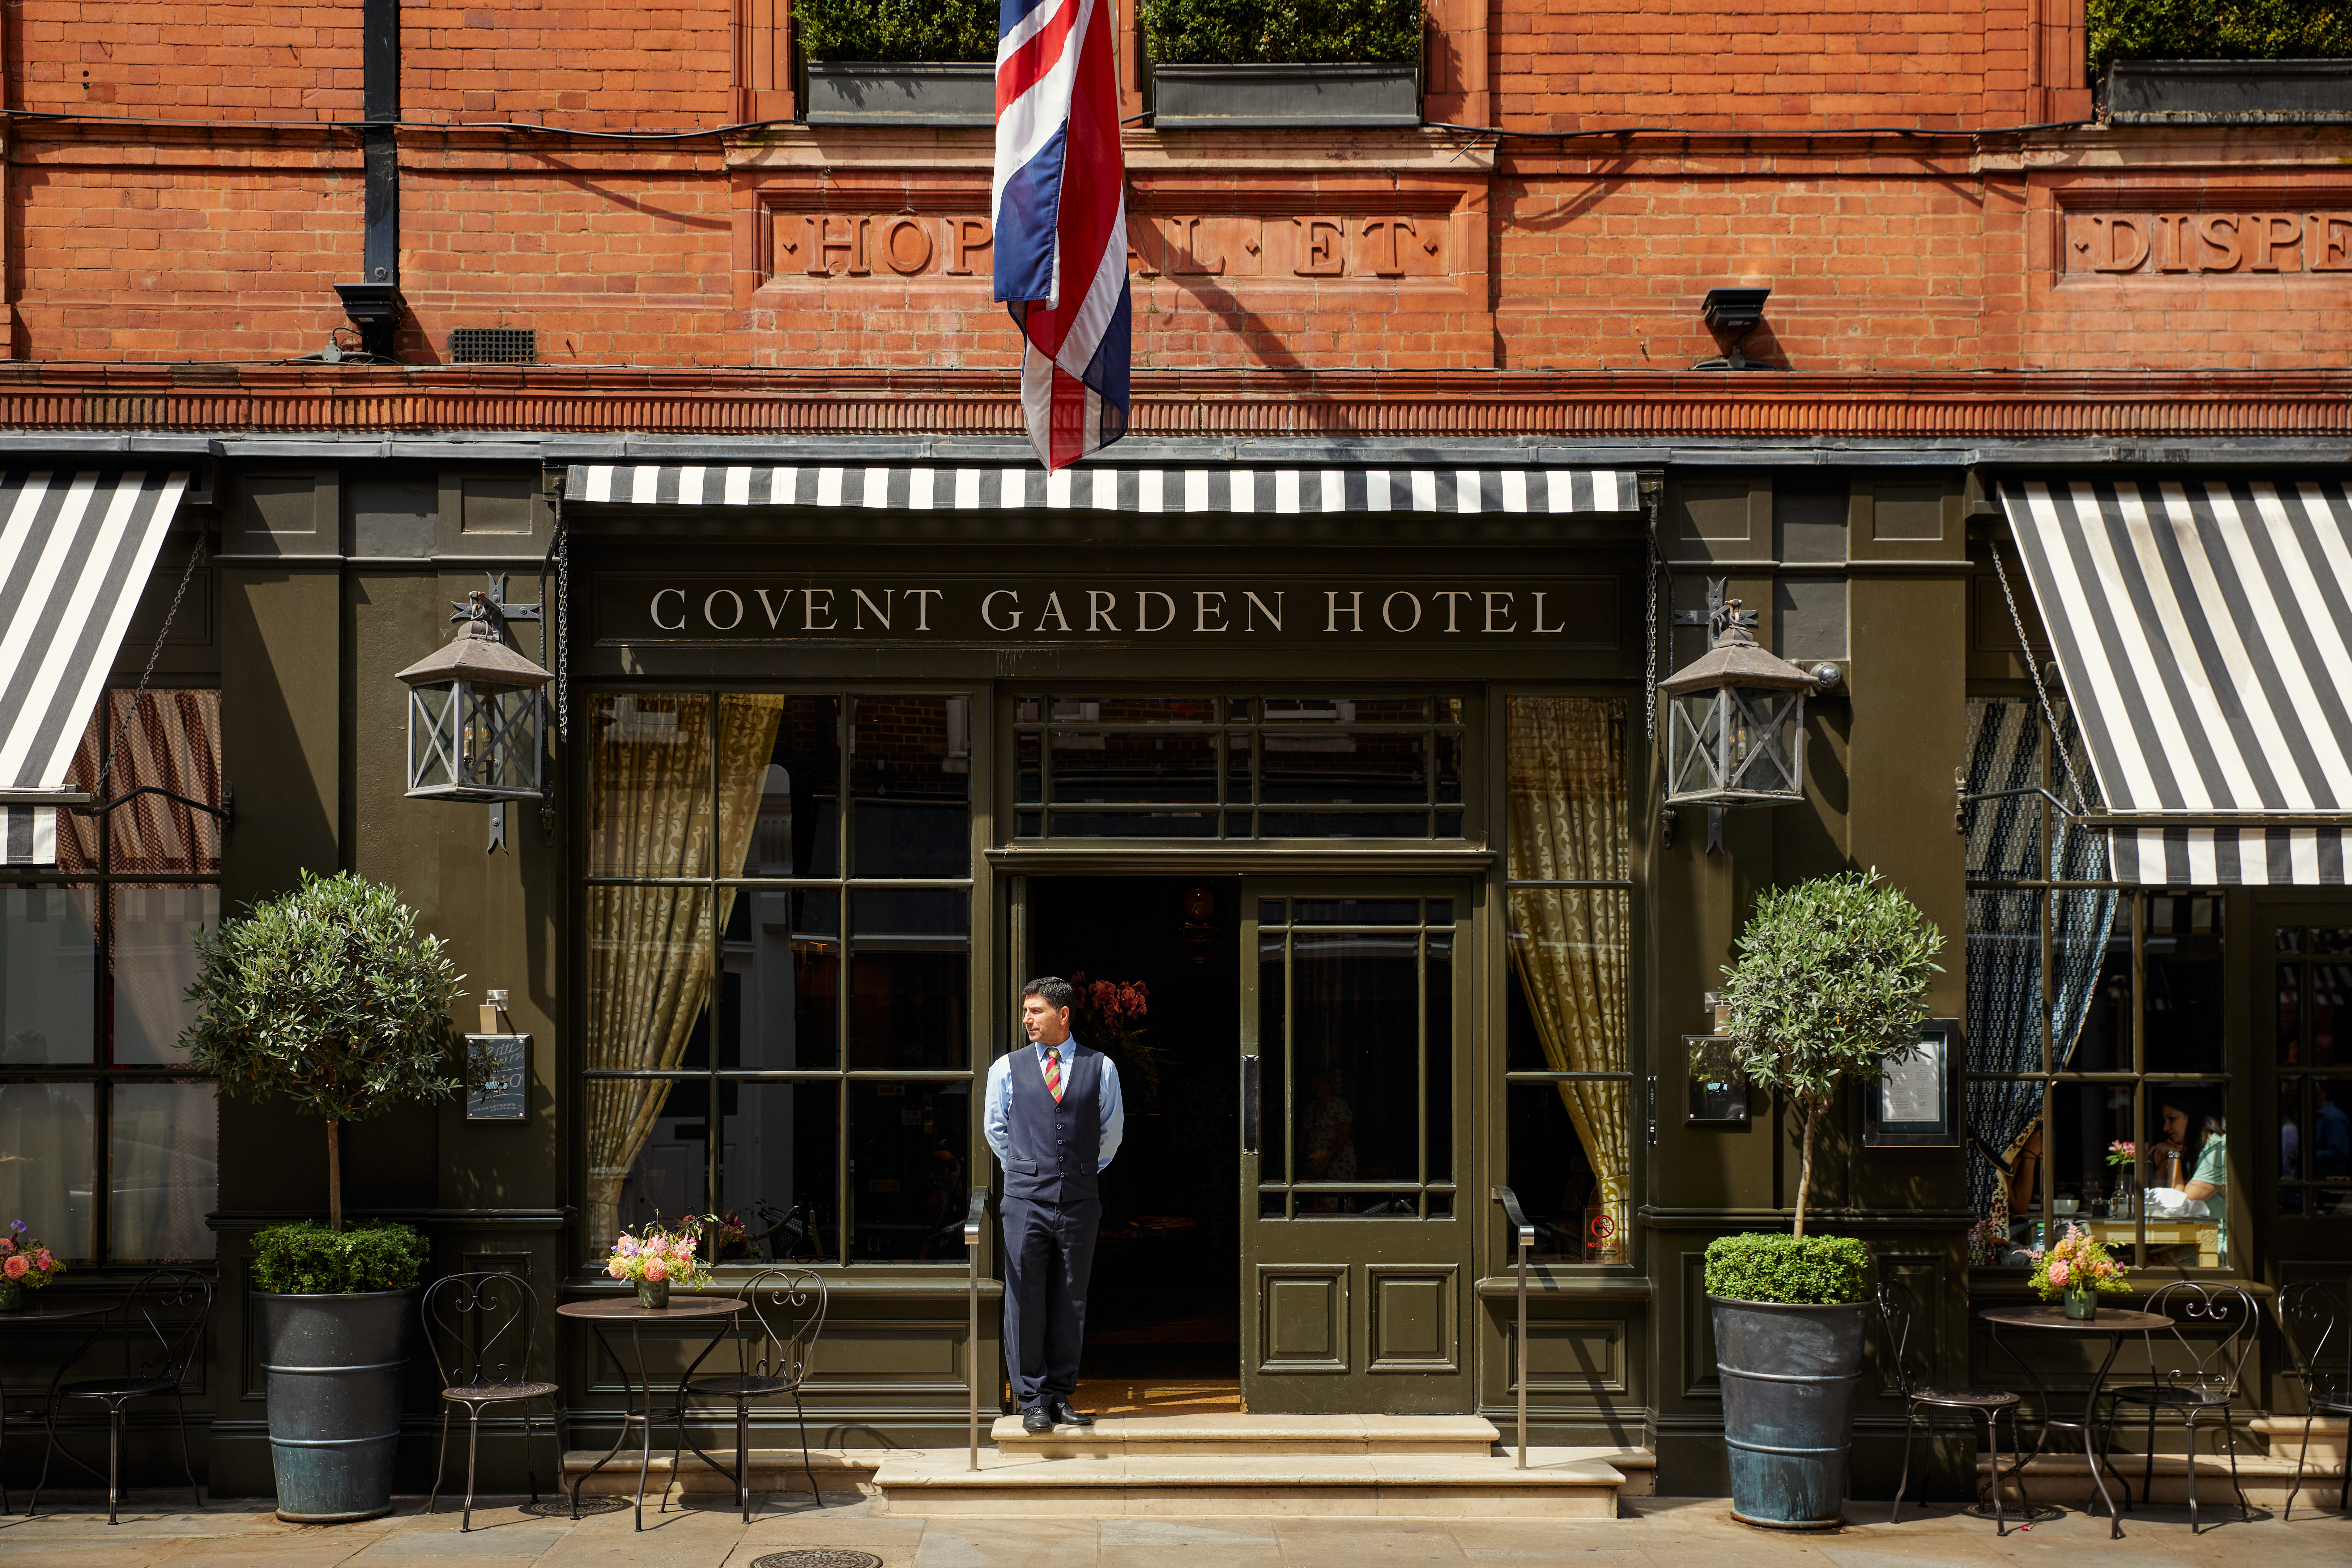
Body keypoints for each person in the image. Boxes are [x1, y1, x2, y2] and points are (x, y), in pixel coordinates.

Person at [984, 976, 1124, 1434]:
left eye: (1036, 1011)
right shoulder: (1006, 1068)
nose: (1027, 1019)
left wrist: (1082, 1170)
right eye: (1026, 1011)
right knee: (1025, 1298)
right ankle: (1031, 1399)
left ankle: (1060, 1395)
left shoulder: (1101, 1067)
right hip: (1025, 1200)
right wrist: (1027, 1168)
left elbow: (1111, 1132)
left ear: (1063, 1016)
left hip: (1080, 1200)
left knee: (1071, 1297)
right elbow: (995, 1131)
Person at [2152, 1089, 2228, 1265]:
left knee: (2156, 1265)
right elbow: (2161, 1193)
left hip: (2218, 1248)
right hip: (2199, 1240)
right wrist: (2167, 1160)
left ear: (2193, 1116)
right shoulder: (2202, 1149)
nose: (2166, 1128)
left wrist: (2173, 1155)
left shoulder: (2217, 1152)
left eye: (2172, 1119)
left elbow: (2179, 1204)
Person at [2315, 1079, 2350, 1181]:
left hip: (2328, 1184)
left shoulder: (2333, 1118)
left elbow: (2340, 1152)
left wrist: (2309, 1156)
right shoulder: (2317, 1117)